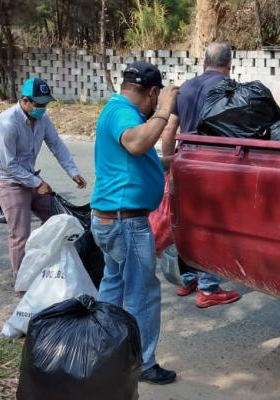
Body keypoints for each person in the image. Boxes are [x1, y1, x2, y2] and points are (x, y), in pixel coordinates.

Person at [90, 61, 178, 385]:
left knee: (113, 286)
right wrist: (165, 111)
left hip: (113, 220)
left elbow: (142, 158)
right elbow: (137, 143)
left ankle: (104, 350)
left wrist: (173, 160)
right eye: (159, 98)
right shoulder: (122, 112)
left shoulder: (119, 110)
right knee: (141, 293)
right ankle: (142, 363)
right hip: (125, 223)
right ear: (153, 93)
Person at [155, 42, 242, 308]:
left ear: (203, 62)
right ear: (229, 65)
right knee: (214, 226)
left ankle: (189, 278)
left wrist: (170, 163)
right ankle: (208, 288)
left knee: (188, 222)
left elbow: (169, 129)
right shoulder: (229, 88)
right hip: (214, 164)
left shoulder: (187, 88)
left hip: (185, 161)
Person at [0, 77, 87, 278]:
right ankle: (21, 281)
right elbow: (9, 164)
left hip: (31, 178)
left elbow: (56, 145)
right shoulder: (7, 124)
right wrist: (37, 183)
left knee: (60, 221)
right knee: (20, 235)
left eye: (45, 104)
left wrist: (73, 171)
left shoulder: (42, 119)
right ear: (25, 101)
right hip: (10, 182)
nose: (42, 108)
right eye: (39, 104)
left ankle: (53, 270)